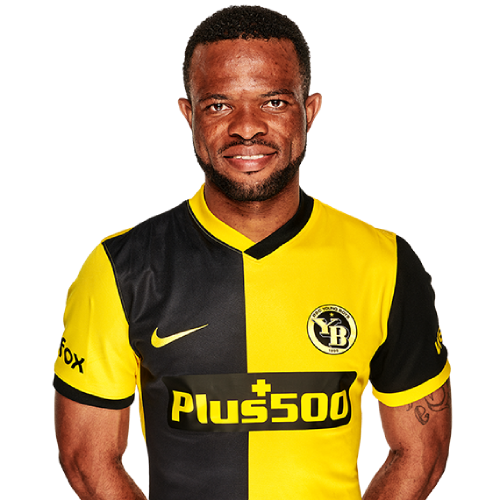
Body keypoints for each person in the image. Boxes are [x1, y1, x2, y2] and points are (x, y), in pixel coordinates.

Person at [53, 5, 452, 499]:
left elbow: (421, 450)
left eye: (274, 102)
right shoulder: (120, 267)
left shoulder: (386, 261)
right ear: (188, 115)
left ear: (309, 111)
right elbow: (87, 460)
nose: (246, 127)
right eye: (219, 105)